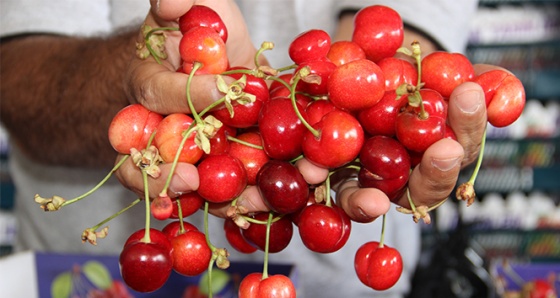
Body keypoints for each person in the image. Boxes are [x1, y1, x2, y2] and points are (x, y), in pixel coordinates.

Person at [0, 0, 486, 297]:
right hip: (84, 280)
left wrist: (399, 114)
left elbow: (387, 53)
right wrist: (141, 73)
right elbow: (18, 80)